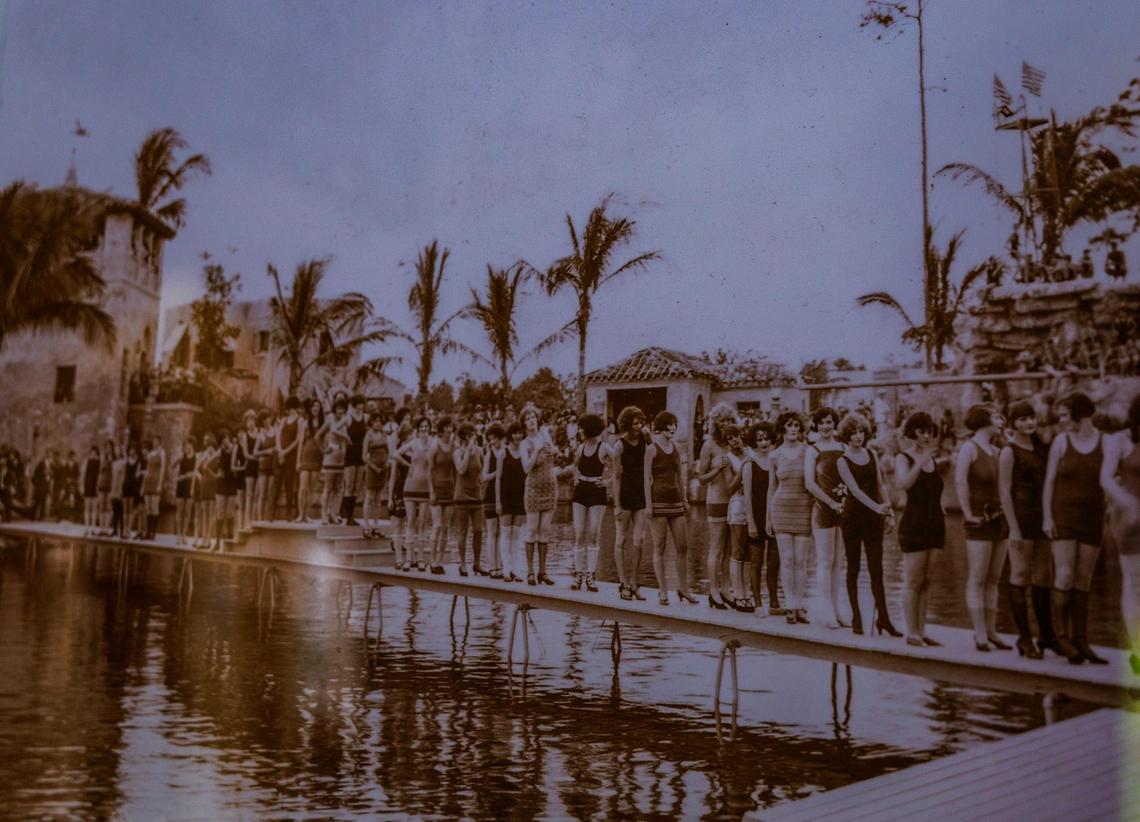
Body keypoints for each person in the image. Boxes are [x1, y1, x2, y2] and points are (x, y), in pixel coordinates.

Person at [1043, 392, 1108, 664]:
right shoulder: (1061, 441)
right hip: (1064, 516)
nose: (1061, 421)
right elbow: (1049, 482)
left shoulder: (1106, 442)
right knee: (1065, 575)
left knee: (1084, 580)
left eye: (1065, 416)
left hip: (1092, 517)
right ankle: (1062, 639)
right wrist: (1048, 517)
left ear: (1081, 415)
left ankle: (1082, 640)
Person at [836, 413, 900, 637]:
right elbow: (854, 490)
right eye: (853, 433)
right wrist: (876, 507)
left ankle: (884, 618)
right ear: (846, 435)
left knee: (877, 570)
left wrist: (889, 511)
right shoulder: (842, 461)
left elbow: (880, 485)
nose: (858, 436)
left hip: (874, 519)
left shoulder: (872, 453)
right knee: (853, 568)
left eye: (861, 432)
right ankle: (857, 617)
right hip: (853, 519)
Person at [997, 401, 1052, 658]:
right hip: (1021, 517)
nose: (1028, 423)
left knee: (1043, 576)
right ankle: (1024, 638)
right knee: (1019, 575)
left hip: (1042, 519)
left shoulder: (1040, 446)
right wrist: (1013, 529)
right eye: (1022, 419)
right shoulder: (1009, 451)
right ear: (1012, 422)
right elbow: (1004, 491)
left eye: (1031, 418)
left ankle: (1047, 635)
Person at [954, 404, 1011, 652]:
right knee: (978, 577)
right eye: (997, 417)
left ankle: (992, 630)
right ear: (983, 420)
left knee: (994, 578)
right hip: (978, 519)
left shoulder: (998, 450)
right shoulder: (970, 447)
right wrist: (967, 513)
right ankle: (979, 634)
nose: (1001, 420)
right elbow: (960, 480)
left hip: (1000, 520)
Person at [895, 412, 945, 646]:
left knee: (927, 581)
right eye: (921, 431)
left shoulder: (932, 459)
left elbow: (933, 491)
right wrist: (921, 460)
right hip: (914, 525)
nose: (925, 436)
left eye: (928, 432)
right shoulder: (903, 458)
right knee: (913, 581)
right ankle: (911, 632)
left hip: (935, 524)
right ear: (912, 433)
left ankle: (922, 631)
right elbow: (904, 484)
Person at [1100, 393, 1140, 675]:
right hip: (1132, 518)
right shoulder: (1120, 440)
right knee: (1134, 582)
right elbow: (1105, 477)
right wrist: (1128, 502)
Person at [644, 410, 695, 606]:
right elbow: (646, 479)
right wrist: (648, 506)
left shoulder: (676, 448)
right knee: (660, 546)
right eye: (669, 424)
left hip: (675, 503)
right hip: (657, 502)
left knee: (683, 546)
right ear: (661, 426)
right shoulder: (651, 449)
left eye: (675, 424)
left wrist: (685, 499)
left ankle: (684, 589)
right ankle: (663, 590)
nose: (673, 428)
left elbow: (679, 477)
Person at [767, 411, 814, 624]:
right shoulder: (774, 455)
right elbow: (771, 488)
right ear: (782, 429)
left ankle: (799, 604)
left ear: (801, 428)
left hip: (804, 508)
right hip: (781, 509)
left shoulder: (809, 452)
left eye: (796, 425)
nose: (793, 429)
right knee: (786, 559)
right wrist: (768, 518)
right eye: (789, 425)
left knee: (800, 560)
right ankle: (790, 606)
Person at [804, 406, 847, 628]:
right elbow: (809, 483)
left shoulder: (843, 447)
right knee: (824, 560)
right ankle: (826, 611)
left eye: (829, 422)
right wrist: (830, 502)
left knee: (838, 562)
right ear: (816, 425)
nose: (826, 426)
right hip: (823, 509)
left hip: (842, 509)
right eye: (822, 423)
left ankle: (837, 609)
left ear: (835, 423)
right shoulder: (813, 450)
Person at [609, 406, 650, 601]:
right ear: (627, 424)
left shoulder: (644, 438)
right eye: (635, 423)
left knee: (639, 540)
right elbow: (616, 477)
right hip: (624, 495)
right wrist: (616, 504)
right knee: (621, 540)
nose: (639, 426)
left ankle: (634, 582)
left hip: (641, 495)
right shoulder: (619, 445)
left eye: (641, 422)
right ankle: (623, 583)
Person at [742, 422, 782, 616]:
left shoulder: (776, 461)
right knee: (756, 562)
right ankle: (757, 603)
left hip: (774, 516)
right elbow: (747, 496)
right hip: (756, 517)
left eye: (766, 438)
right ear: (753, 443)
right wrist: (750, 523)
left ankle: (774, 602)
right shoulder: (749, 464)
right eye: (759, 439)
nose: (764, 442)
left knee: (774, 561)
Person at [566, 413, 608, 593]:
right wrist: (575, 477)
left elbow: (619, 467)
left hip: (597, 491)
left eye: (582, 428)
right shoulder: (581, 448)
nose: (580, 431)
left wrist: (609, 481)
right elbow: (575, 465)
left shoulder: (604, 447)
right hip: (582, 490)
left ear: (590, 429)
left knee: (593, 534)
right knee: (579, 533)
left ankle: (591, 575)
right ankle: (578, 574)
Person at [521, 405, 558, 585]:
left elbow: (554, 454)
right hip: (533, 489)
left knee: (544, 531)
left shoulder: (545, 435)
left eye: (533, 417)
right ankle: (530, 571)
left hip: (550, 487)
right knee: (532, 530)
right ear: (524, 423)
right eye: (527, 418)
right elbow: (526, 467)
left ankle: (543, 572)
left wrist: (554, 451)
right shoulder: (524, 443)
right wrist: (536, 450)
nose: (531, 420)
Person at [396, 415, 433, 571]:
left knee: (422, 523)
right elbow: (395, 454)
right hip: (410, 487)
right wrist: (408, 464)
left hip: (425, 488)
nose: (424, 429)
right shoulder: (413, 443)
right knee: (411, 521)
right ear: (418, 430)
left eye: (426, 426)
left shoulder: (433, 444)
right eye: (421, 427)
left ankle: (420, 559)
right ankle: (409, 559)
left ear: (430, 428)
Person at [495, 421, 527, 583]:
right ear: (510, 435)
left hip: (521, 498)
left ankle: (516, 569)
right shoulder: (503, 453)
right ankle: (506, 569)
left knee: (516, 535)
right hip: (506, 498)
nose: (518, 436)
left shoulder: (525, 452)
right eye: (515, 433)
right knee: (505, 534)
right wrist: (498, 502)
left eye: (520, 433)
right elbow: (498, 479)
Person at [452, 421, 484, 576]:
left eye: (473, 434)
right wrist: (467, 452)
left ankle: (477, 563)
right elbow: (461, 470)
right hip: (461, 496)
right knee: (462, 531)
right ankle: (463, 564)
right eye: (469, 435)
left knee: (478, 530)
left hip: (476, 496)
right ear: (463, 437)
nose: (472, 437)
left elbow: (481, 469)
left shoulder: (479, 451)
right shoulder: (457, 452)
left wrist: (481, 479)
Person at [427, 415, 457, 574]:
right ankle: (432, 561)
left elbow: (456, 470)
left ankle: (440, 561)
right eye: (446, 427)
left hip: (450, 489)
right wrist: (431, 491)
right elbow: (429, 470)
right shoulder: (434, 446)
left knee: (446, 528)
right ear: (441, 429)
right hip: (437, 489)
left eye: (451, 427)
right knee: (437, 526)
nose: (449, 430)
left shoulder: (454, 446)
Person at [320, 399, 350, 526]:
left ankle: (333, 513)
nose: (340, 411)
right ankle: (324, 515)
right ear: (334, 409)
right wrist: (323, 449)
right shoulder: (330, 421)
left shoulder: (345, 424)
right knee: (328, 488)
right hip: (330, 458)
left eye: (343, 409)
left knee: (338, 488)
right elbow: (318, 435)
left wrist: (345, 452)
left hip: (341, 459)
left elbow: (346, 442)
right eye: (338, 408)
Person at [387, 419, 412, 570]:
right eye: (409, 434)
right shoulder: (398, 451)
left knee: (411, 524)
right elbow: (393, 476)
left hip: (413, 487)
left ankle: (410, 557)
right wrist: (390, 496)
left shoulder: (415, 449)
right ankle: (398, 559)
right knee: (398, 524)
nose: (411, 436)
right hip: (400, 487)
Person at [482, 423, 506, 579]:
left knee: (502, 532)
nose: (492, 442)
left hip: (505, 493)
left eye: (494, 439)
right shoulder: (489, 454)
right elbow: (484, 477)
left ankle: (501, 565)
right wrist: (498, 472)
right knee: (492, 532)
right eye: (490, 439)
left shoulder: (507, 451)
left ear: (501, 438)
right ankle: (493, 566)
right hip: (491, 494)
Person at [272, 397, 302, 521]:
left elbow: (298, 440)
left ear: (296, 408)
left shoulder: (300, 420)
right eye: (289, 408)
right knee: (277, 483)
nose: (291, 410)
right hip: (280, 454)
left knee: (289, 484)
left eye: (293, 408)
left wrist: (285, 451)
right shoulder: (284, 420)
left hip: (291, 455)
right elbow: (278, 436)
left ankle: (289, 512)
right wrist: (280, 451)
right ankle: (271, 512)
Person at [296, 398, 324, 523]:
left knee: (311, 488)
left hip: (318, 458)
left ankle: (307, 515)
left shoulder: (323, 423)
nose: (315, 408)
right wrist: (298, 461)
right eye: (313, 406)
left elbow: (325, 442)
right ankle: (300, 515)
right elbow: (301, 443)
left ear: (320, 408)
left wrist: (324, 462)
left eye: (317, 406)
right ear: (310, 408)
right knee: (303, 488)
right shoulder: (304, 423)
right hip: (306, 457)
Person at [342, 395, 368, 525]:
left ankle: (349, 514)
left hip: (361, 453)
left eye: (361, 405)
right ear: (353, 405)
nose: (360, 408)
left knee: (357, 486)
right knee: (349, 485)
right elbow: (335, 428)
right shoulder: (348, 417)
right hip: (351, 453)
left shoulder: (366, 417)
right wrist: (346, 436)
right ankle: (348, 517)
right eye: (358, 405)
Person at [362, 413, 390, 539]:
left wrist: (387, 462)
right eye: (375, 421)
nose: (378, 423)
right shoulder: (368, 435)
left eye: (380, 421)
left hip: (383, 469)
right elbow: (364, 456)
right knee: (369, 497)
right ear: (371, 422)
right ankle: (366, 526)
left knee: (378, 500)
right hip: (372, 469)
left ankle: (376, 526)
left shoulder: (385, 435)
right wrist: (374, 467)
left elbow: (389, 451)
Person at [141, 437, 166, 540]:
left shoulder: (162, 452)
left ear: (160, 442)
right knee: (148, 508)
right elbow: (147, 468)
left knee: (155, 508)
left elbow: (163, 468)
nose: (155, 443)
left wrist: (160, 484)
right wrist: (143, 485)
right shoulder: (151, 453)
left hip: (156, 481)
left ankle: (154, 533)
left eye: (157, 442)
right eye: (154, 441)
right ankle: (148, 532)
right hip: (148, 481)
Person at [240, 411, 260, 530]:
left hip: (260, 466)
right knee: (249, 495)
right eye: (248, 420)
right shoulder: (244, 435)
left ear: (255, 420)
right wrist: (257, 458)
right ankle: (248, 523)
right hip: (250, 466)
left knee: (258, 494)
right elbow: (246, 454)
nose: (250, 423)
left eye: (252, 420)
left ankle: (256, 520)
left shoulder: (260, 432)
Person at [174, 437, 196, 546]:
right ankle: (178, 535)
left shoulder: (196, 457)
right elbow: (172, 467)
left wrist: (189, 476)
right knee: (179, 510)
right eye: (186, 444)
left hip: (190, 485)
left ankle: (184, 535)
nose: (188, 446)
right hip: (181, 484)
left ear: (193, 445)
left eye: (190, 444)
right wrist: (177, 460)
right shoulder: (182, 456)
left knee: (187, 512)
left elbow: (196, 472)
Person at [81, 444, 101, 536]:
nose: (93, 454)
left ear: (97, 453)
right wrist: (82, 486)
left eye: (95, 452)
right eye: (91, 452)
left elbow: (100, 475)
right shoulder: (87, 461)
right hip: (88, 485)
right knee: (87, 507)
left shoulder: (99, 462)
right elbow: (83, 475)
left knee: (94, 508)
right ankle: (86, 527)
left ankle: (93, 527)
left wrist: (98, 486)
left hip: (95, 486)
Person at [96, 440, 115, 535]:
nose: (108, 449)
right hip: (102, 483)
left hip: (110, 484)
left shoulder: (114, 458)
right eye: (106, 447)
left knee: (108, 506)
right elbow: (100, 471)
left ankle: (107, 528)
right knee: (101, 506)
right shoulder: (103, 458)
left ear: (112, 448)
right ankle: (102, 528)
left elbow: (113, 471)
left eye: (109, 447)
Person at [109, 445, 126, 538]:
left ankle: (122, 530)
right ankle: (115, 530)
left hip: (120, 486)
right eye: (117, 450)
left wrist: (121, 488)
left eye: (119, 450)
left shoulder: (124, 462)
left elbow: (123, 476)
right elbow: (112, 476)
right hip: (114, 486)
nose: (118, 452)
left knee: (121, 510)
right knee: (115, 510)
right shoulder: (114, 463)